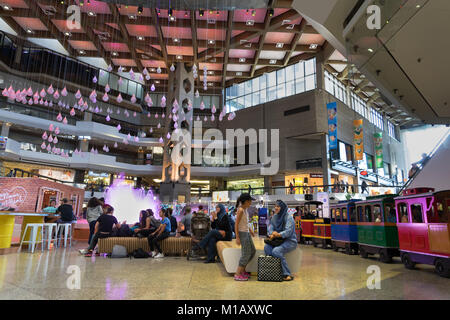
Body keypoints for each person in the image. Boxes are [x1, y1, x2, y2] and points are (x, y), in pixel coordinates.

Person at [264, 200, 298, 281]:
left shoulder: (289, 217)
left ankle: (287, 274)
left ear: (282, 208)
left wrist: (278, 234)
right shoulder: (275, 217)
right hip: (278, 241)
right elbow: (270, 228)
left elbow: (288, 232)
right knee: (267, 248)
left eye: (278, 206)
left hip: (290, 241)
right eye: (275, 206)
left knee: (276, 251)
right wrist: (272, 233)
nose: (275, 208)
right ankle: (274, 272)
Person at [234, 194, 256, 281]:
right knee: (246, 253)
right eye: (250, 201)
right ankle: (237, 274)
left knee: (252, 251)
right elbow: (236, 224)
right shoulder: (240, 210)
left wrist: (250, 231)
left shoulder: (245, 210)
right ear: (246, 201)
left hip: (246, 233)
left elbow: (245, 223)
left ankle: (242, 270)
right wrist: (237, 237)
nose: (251, 203)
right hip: (242, 234)